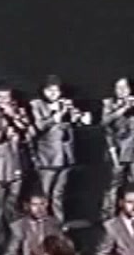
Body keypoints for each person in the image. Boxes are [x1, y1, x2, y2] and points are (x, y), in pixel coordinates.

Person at [0, 82, 36, 250]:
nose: (4, 101)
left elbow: (31, 134)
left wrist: (16, 118)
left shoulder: (19, 111)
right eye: (0, 98)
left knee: (13, 203)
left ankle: (13, 238)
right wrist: (2, 133)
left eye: (7, 98)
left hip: (16, 164)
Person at [30, 75, 92, 223]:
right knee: (44, 195)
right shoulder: (36, 105)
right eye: (49, 90)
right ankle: (42, 224)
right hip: (48, 157)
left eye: (56, 90)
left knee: (59, 193)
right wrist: (55, 116)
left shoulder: (65, 103)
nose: (53, 93)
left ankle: (58, 223)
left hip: (66, 157)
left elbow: (77, 122)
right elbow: (38, 127)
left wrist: (79, 116)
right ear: (43, 91)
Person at [100, 77, 134, 218]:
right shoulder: (109, 103)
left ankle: (133, 214)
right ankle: (109, 215)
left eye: (125, 87)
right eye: (118, 87)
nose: (122, 90)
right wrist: (123, 108)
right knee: (114, 184)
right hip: (117, 150)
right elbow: (105, 121)